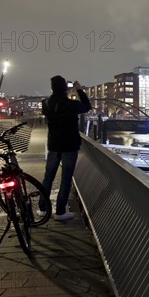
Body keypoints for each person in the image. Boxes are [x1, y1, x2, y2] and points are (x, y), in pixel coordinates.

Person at [41, 76, 91, 220]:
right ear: (65, 88)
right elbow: (87, 106)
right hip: (69, 146)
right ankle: (60, 212)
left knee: (48, 177)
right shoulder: (70, 104)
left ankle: (43, 208)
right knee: (66, 178)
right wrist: (79, 90)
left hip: (53, 145)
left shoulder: (45, 104)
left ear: (52, 88)